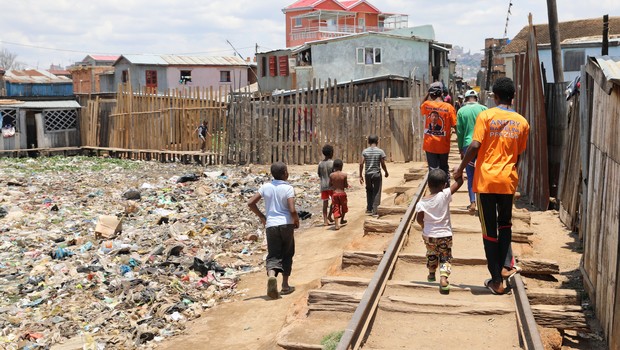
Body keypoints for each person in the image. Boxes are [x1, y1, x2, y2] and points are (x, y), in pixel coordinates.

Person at [453, 77, 530, 295]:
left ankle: (496, 281)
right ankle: (506, 267)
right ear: (512, 97)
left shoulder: (485, 116)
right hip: (507, 179)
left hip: (486, 180)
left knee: (489, 230)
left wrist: (460, 169)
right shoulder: (522, 122)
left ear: (494, 97)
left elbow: (475, 145)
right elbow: (518, 155)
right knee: (505, 223)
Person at [247, 162, 300, 299]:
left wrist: (262, 217)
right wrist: (296, 220)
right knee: (287, 253)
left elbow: (250, 203)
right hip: (286, 224)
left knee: (273, 254)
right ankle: (285, 285)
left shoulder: (266, 187)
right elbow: (292, 209)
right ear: (285, 174)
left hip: (271, 225)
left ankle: (272, 277)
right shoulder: (288, 188)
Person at [415, 169, 463, 294]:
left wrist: (424, 226)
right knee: (445, 257)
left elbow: (419, 219)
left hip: (429, 235)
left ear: (428, 185)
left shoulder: (422, 202)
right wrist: (459, 173)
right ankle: (443, 279)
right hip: (445, 235)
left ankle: (431, 274)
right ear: (444, 185)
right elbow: (459, 182)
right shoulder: (445, 194)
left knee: (431, 253)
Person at [456, 89, 488, 213]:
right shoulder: (484, 109)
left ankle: (473, 202)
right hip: (482, 145)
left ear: (465, 99)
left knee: (470, 175)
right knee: (482, 174)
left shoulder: (461, 111)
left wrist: (460, 149)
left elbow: (460, 132)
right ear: (476, 98)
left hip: (467, 145)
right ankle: (483, 202)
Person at [420, 82, 457, 176]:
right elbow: (455, 125)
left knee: (433, 170)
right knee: (444, 169)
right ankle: (446, 188)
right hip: (443, 145)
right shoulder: (449, 107)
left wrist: (427, 93)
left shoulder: (427, 105)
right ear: (441, 93)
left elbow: (421, 105)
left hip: (430, 145)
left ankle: (435, 189)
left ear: (431, 94)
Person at [359, 135, 389, 216]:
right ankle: (375, 210)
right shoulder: (380, 151)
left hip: (367, 174)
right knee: (377, 191)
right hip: (376, 174)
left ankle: (369, 208)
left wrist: (360, 175)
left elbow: (361, 163)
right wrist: (386, 172)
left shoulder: (365, 151)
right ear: (377, 142)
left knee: (369, 190)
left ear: (368, 142)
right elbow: (382, 163)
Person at [317, 144, 335, 226]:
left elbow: (319, 174)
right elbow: (334, 174)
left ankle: (325, 221)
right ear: (331, 153)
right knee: (334, 201)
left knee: (325, 203)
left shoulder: (320, 163)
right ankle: (329, 215)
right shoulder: (332, 163)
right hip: (331, 186)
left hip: (323, 186)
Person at [329, 159, 348, 230]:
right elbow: (345, 185)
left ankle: (336, 224)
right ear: (341, 166)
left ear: (334, 166)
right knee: (344, 207)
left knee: (336, 208)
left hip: (335, 194)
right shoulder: (344, 175)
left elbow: (330, 184)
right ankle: (342, 219)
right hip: (342, 193)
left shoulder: (331, 175)